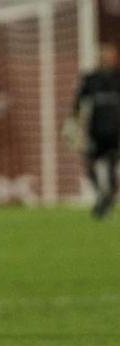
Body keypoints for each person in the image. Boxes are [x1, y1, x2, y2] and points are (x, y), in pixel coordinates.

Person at [72, 43, 120, 218]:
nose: (106, 59)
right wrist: (74, 126)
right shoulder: (90, 79)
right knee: (90, 163)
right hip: (95, 130)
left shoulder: (118, 78)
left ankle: (107, 200)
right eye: (103, 56)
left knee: (112, 166)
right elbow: (77, 104)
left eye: (109, 56)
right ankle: (101, 194)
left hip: (115, 131)